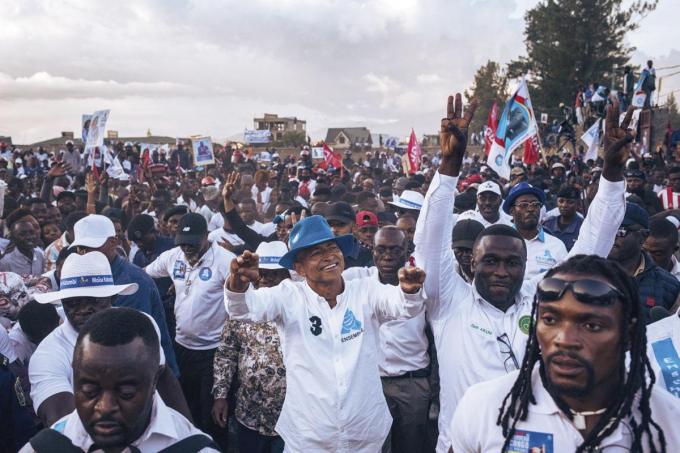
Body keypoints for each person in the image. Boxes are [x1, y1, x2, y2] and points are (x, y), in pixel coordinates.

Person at [413, 93, 630, 452]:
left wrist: (612, 173)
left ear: (526, 266)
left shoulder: (544, 301)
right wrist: (449, 165)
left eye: (512, 263)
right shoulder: (447, 302)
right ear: (472, 263)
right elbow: (429, 242)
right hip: (464, 445)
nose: (501, 271)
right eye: (490, 261)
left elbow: (594, 244)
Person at [225, 215, 426, 452]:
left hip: (365, 434)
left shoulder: (365, 291)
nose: (329, 256)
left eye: (332, 248)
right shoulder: (288, 296)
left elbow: (403, 306)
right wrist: (238, 283)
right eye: (316, 253)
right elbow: (244, 309)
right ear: (298, 267)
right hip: (310, 438)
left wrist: (410, 292)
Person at [450, 255, 678, 452]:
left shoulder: (669, 421)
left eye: (591, 325)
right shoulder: (484, 408)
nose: (564, 340)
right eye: (550, 320)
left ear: (628, 333)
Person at [21, 308, 219, 453]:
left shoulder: (193, 448)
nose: (105, 407)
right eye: (90, 391)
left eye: (126, 393)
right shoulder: (43, 449)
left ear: (154, 382)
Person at [28, 252, 189, 428]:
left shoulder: (141, 325)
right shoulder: (49, 354)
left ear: (112, 298)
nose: (83, 310)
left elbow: (163, 378)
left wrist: (188, 433)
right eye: (72, 303)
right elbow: (62, 424)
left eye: (93, 300)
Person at [145, 212, 235, 450]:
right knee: (184, 411)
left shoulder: (225, 261)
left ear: (207, 237)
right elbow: (145, 275)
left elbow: (243, 298)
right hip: (181, 348)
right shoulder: (173, 257)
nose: (187, 248)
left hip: (213, 352)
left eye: (193, 243)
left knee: (213, 416)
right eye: (183, 243)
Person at [343, 226, 431, 453]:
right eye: (381, 249)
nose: (388, 256)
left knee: (411, 448)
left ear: (406, 250)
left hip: (412, 384)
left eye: (395, 249)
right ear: (372, 251)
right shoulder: (358, 282)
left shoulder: (422, 282)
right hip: (371, 385)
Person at [69, 214, 179, 376]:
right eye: (80, 249)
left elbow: (130, 338)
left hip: (149, 374)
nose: (84, 254)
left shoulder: (133, 282)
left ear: (113, 243)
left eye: (91, 247)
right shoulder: (93, 274)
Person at [212, 241, 289, 453]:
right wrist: (220, 395)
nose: (265, 279)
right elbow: (226, 353)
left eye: (273, 274)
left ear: (287, 276)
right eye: (261, 273)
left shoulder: (298, 305)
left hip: (291, 419)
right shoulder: (241, 306)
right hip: (249, 414)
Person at [608, 203, 680, 321]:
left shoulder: (669, 286)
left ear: (643, 236)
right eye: (608, 229)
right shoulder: (585, 273)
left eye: (620, 230)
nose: (612, 236)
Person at [502, 182, 568, 280]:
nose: (531, 209)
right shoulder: (501, 242)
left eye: (535, 204)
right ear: (512, 211)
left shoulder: (557, 246)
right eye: (524, 205)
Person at [542, 186, 584, 251]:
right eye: (561, 201)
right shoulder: (548, 224)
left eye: (570, 202)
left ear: (577, 204)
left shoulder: (583, 226)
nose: (564, 205)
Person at [451, 219, 485, 283]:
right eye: (459, 250)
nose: (465, 254)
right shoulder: (450, 273)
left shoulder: (492, 272)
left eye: (470, 250)